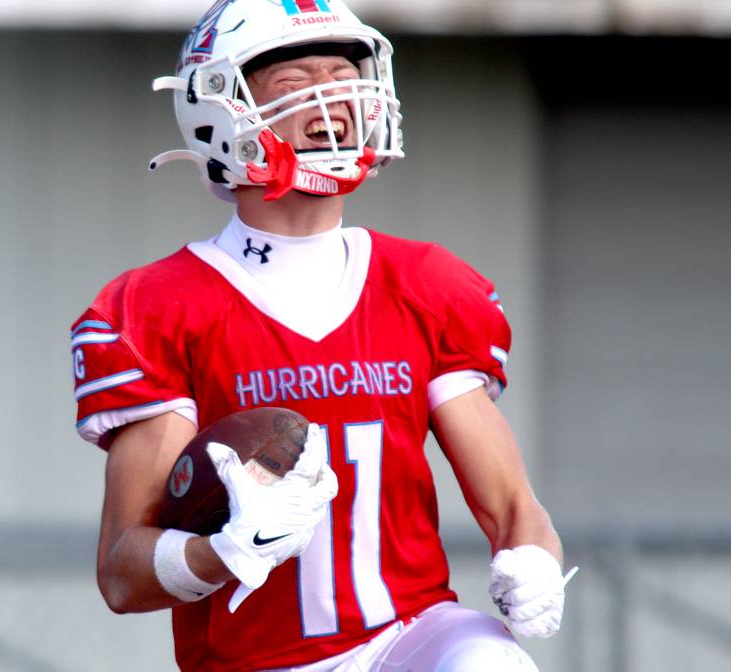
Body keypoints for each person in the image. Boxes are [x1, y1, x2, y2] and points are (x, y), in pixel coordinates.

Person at [71, 1, 575, 670]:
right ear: (222, 108)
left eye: (343, 76)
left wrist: (535, 559)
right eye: (296, 84)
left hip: (409, 636)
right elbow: (121, 572)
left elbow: (514, 505)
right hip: (255, 659)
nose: (331, 99)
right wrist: (220, 553)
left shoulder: (425, 284)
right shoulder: (161, 307)